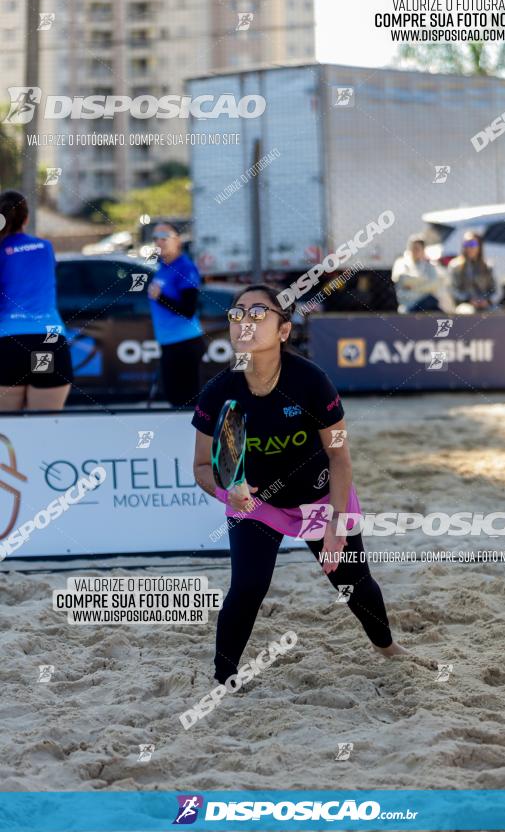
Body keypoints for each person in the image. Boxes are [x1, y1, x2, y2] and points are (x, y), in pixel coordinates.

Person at [192, 283, 414, 687]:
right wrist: (230, 492)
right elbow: (203, 467)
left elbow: (339, 456)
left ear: (283, 330)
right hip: (257, 504)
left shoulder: (312, 382)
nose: (245, 321)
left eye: (259, 314)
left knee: (353, 582)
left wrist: (335, 524)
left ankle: (388, 648)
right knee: (248, 586)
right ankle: (224, 677)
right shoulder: (218, 391)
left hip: (320, 498)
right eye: (238, 313)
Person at [0, 190, 73, 411]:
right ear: (26, 218)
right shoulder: (46, 247)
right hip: (48, 341)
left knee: (7, 433)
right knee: (46, 432)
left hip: (8, 345)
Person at [147, 222, 205, 409]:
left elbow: (188, 309)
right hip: (169, 343)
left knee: (186, 401)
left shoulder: (185, 267)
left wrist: (160, 297)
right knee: (173, 398)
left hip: (185, 343)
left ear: (177, 240)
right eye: (156, 238)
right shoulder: (162, 266)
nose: (159, 242)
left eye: (165, 237)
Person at [392, 234, 443, 313]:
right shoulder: (400, 263)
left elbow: (435, 284)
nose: (414, 251)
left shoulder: (429, 266)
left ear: (423, 250)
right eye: (413, 248)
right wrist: (425, 282)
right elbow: (403, 279)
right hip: (408, 304)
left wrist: (414, 287)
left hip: (427, 304)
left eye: (417, 248)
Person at [447, 231, 497, 313]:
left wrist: (487, 301)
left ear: (479, 246)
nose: (469, 248)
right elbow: (452, 289)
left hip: (486, 303)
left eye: (472, 244)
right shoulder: (455, 266)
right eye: (466, 244)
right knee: (467, 312)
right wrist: (468, 300)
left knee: (497, 311)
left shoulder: (488, 266)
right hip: (464, 304)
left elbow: (497, 291)